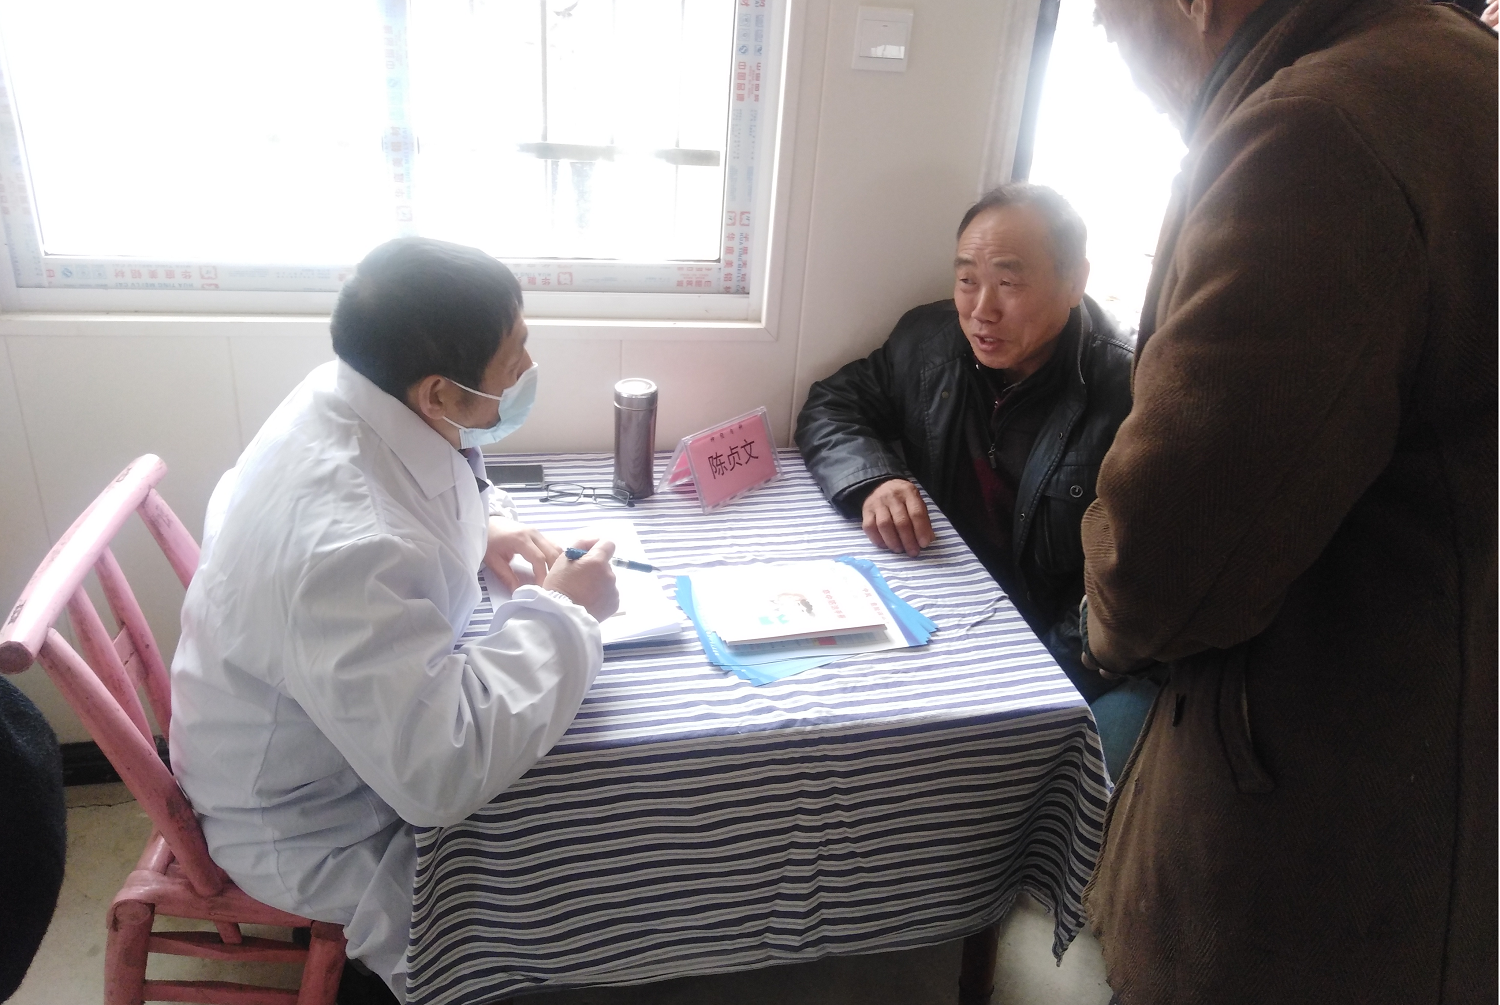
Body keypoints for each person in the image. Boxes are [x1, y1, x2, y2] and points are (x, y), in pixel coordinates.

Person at [1074, 0, 1496, 999]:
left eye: (1109, 21)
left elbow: (1156, 565)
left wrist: (1097, 612)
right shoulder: (1454, 70)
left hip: (1315, 841)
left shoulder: (1315, 136)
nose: (1111, 47)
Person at [170, 238, 619, 1000]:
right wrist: (564, 611)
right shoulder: (343, 549)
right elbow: (437, 769)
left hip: (330, 726)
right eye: (515, 355)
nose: (528, 369)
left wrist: (483, 527)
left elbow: (419, 484)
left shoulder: (345, 390)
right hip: (314, 820)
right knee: (576, 837)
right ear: (438, 393)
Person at [795, 184, 1152, 773]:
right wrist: (876, 480)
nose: (982, 309)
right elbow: (833, 404)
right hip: (942, 605)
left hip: (1046, 648)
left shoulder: (1130, 394)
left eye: (1008, 282)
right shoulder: (930, 341)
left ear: (1074, 281)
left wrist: (1027, 673)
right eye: (967, 279)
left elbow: (1125, 587)